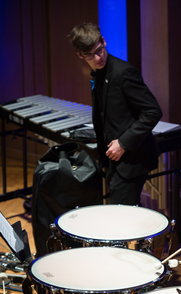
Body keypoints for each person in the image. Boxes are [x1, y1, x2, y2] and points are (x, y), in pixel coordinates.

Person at [67, 22, 162, 205]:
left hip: (131, 159)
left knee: (121, 217)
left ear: (103, 41)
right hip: (113, 160)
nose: (97, 58)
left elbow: (152, 111)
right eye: (90, 55)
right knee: (128, 213)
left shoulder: (123, 73)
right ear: (80, 55)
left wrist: (124, 143)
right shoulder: (98, 74)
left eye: (99, 50)